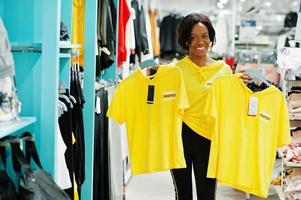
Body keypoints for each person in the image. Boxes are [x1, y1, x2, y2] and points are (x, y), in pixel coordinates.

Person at [169, 13, 249, 200]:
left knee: (207, 195)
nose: (200, 42)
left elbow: (230, 103)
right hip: (179, 139)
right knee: (183, 195)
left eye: (204, 36)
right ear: (185, 40)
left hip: (209, 140)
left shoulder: (223, 70)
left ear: (211, 37)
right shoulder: (173, 70)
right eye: (193, 37)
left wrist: (242, 86)